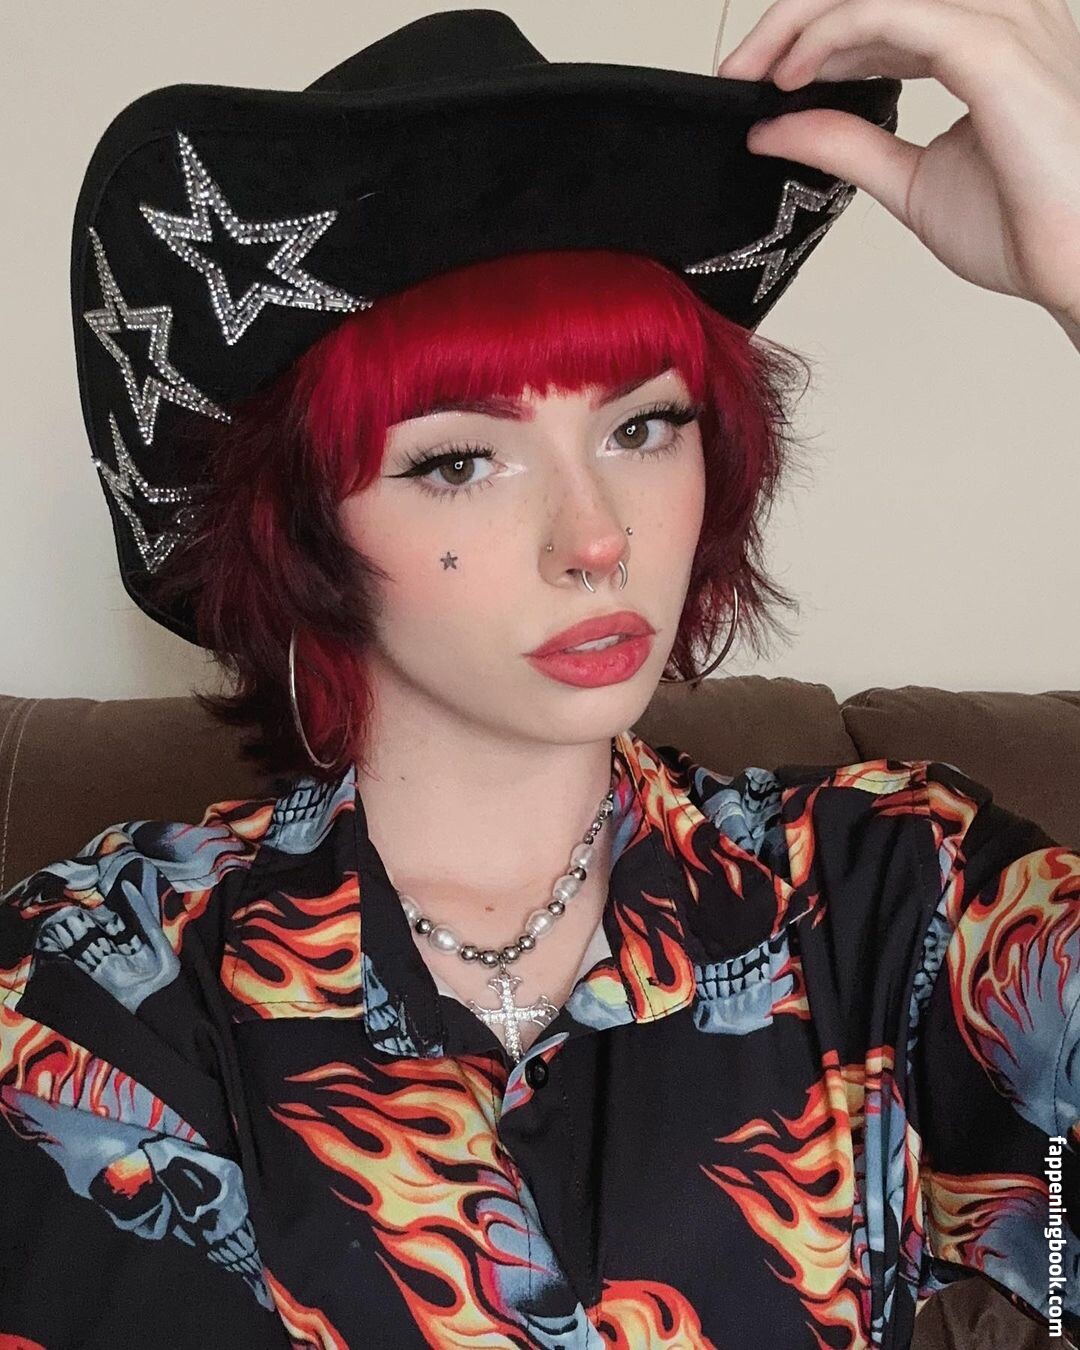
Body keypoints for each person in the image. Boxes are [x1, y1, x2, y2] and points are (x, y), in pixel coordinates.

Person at [2, 5, 1079, 1348]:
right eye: (460, 459)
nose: (596, 537)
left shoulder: (891, 894)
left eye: (645, 425)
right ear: (303, 523)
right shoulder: (105, 984)